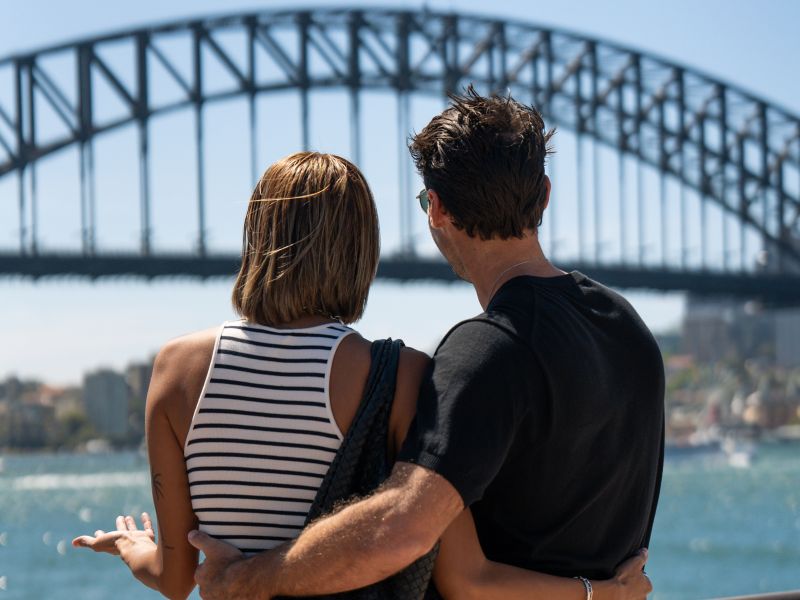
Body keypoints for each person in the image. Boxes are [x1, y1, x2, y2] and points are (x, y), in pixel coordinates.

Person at [73, 151, 651, 599]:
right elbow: (460, 577)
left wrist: (132, 545)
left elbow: (178, 578)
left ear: (256, 238)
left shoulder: (175, 370)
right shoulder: (399, 376)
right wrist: (599, 593)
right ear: (362, 249)